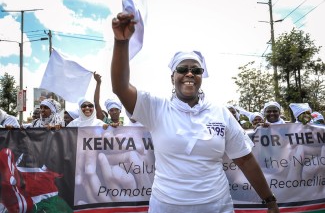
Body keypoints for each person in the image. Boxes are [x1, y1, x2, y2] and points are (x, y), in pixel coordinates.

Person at [110, 11, 279, 213]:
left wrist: (270, 201)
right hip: (166, 207)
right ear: (172, 77)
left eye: (196, 70)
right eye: (182, 69)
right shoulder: (156, 108)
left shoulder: (220, 113)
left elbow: (245, 159)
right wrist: (121, 43)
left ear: (201, 77)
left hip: (217, 207)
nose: (189, 73)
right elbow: (120, 87)